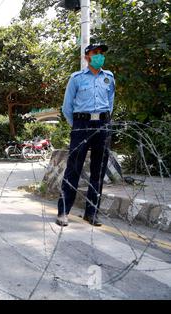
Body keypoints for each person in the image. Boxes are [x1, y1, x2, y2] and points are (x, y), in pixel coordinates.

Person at [56, 44, 115, 227]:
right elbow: (67, 107)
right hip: (81, 125)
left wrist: (104, 122)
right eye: (95, 53)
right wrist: (78, 127)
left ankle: (91, 213)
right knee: (74, 169)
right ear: (87, 57)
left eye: (101, 53)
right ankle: (63, 212)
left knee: (98, 171)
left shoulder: (109, 78)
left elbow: (110, 103)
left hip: (103, 125)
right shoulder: (76, 78)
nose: (99, 56)